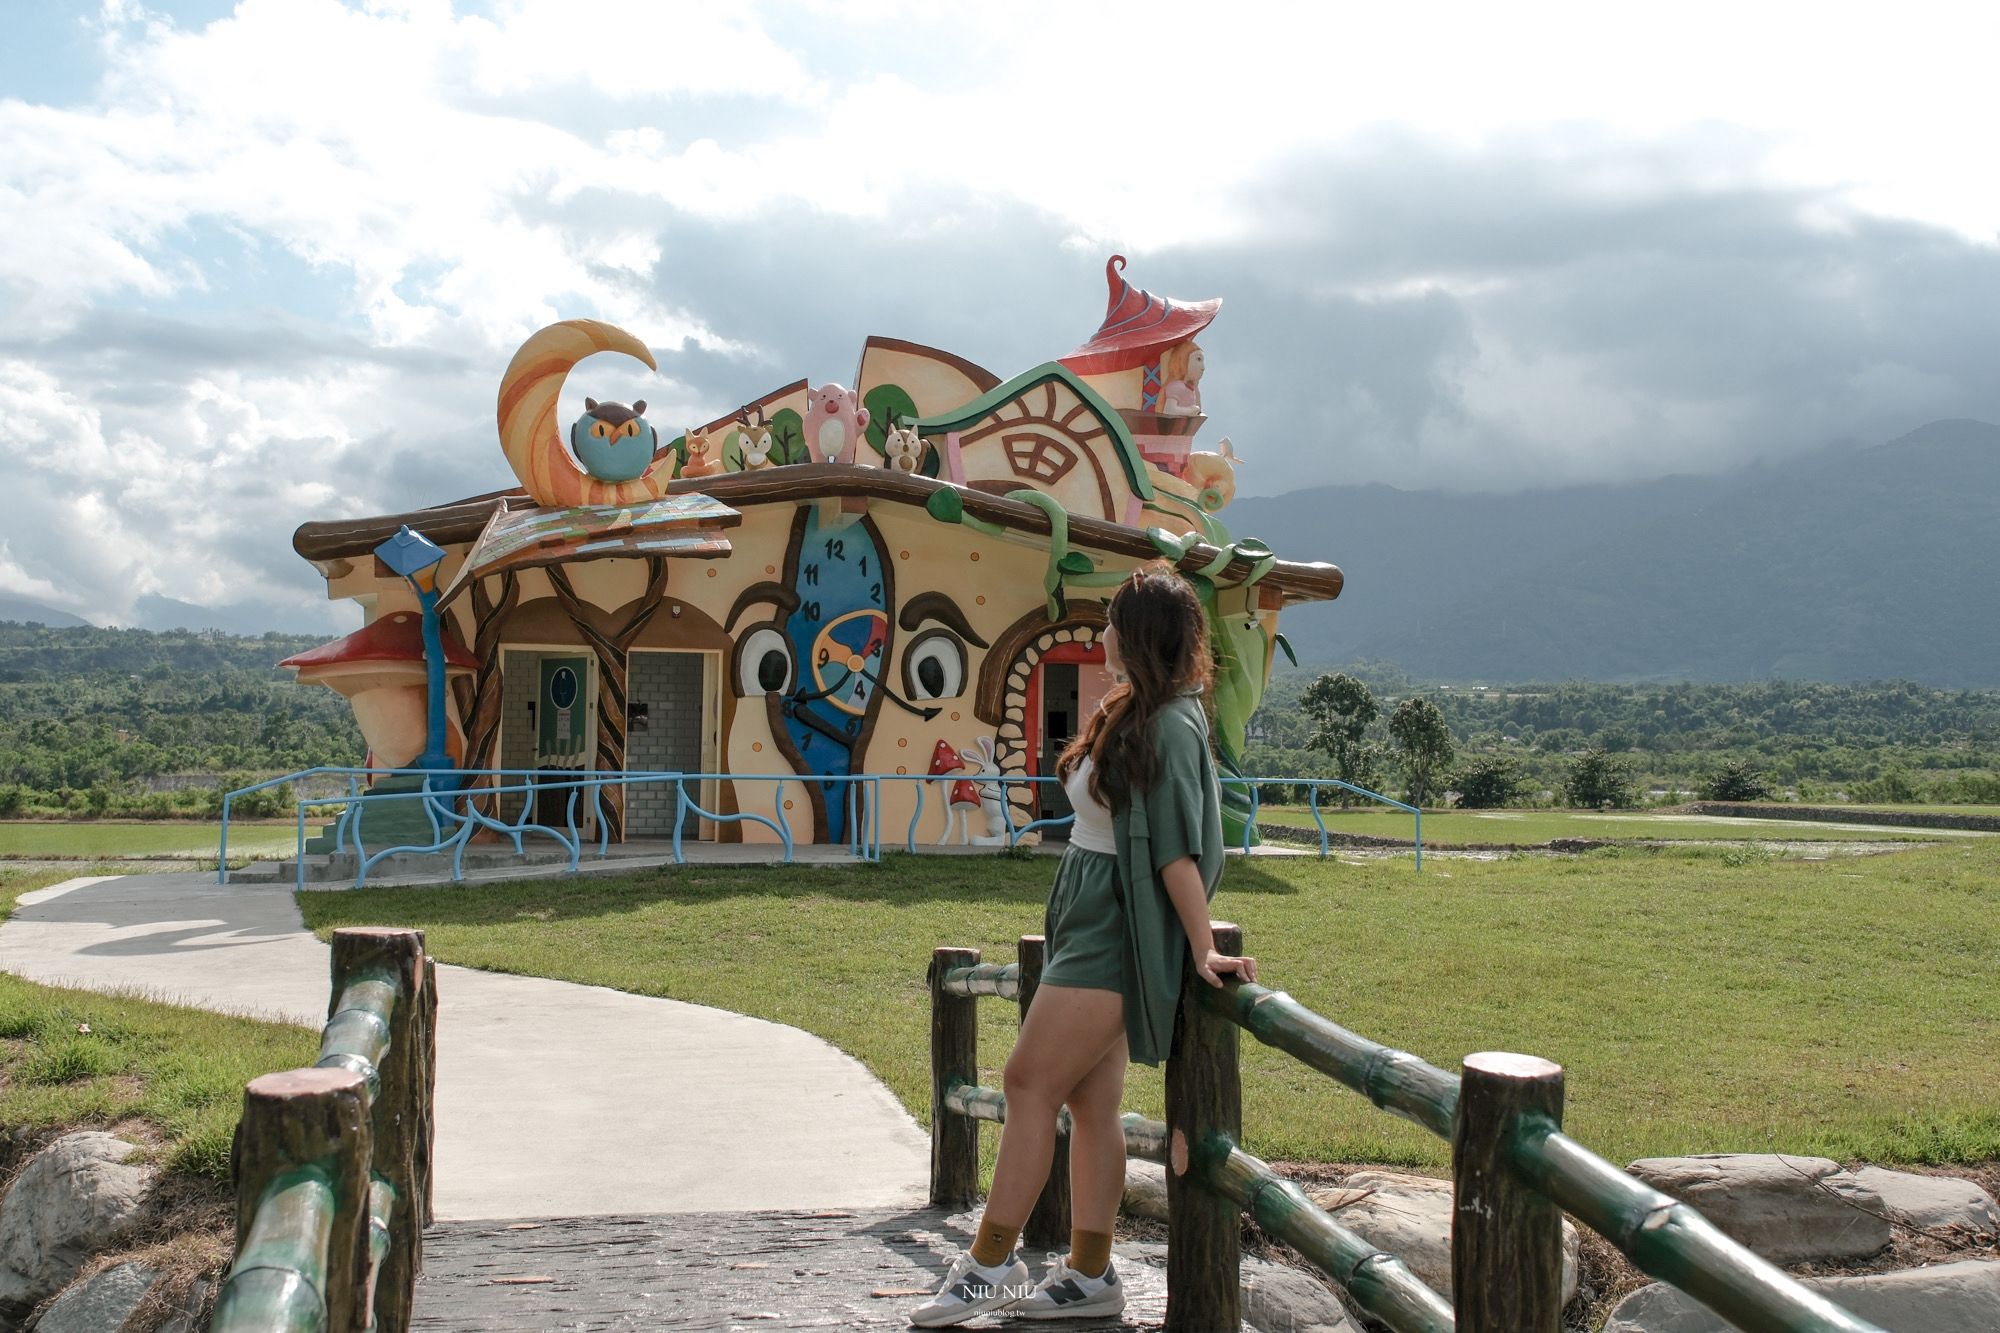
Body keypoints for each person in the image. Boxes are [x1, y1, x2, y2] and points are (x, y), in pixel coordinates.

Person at [911, 561, 1257, 1327]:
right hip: (1088, 910)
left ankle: (987, 1266)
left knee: (1028, 1081)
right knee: (1089, 1103)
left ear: (1136, 636)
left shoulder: (1168, 722)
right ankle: (1092, 1274)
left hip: (1113, 925)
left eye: (1111, 619)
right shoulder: (1141, 707)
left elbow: (1174, 850)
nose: (1100, 630)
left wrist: (1201, 945)